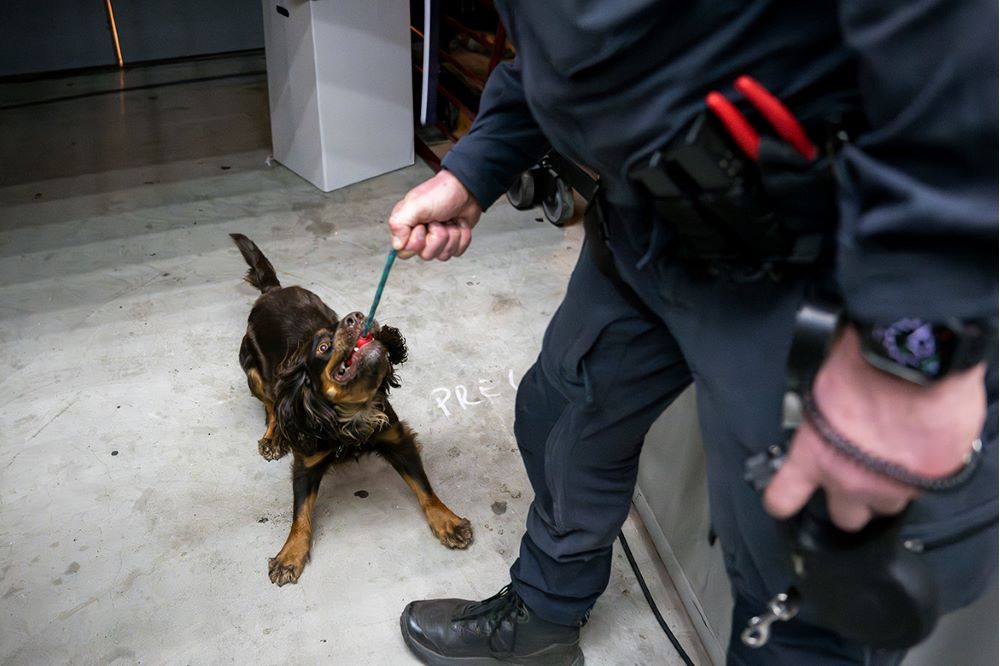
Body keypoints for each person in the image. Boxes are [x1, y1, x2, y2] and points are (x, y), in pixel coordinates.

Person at [385, 1, 998, 664]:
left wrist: (912, 346)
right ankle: (545, 613)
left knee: (808, 590)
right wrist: (477, 165)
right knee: (563, 414)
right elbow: (556, 42)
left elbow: (963, 47)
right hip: (649, 225)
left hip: (827, 273)